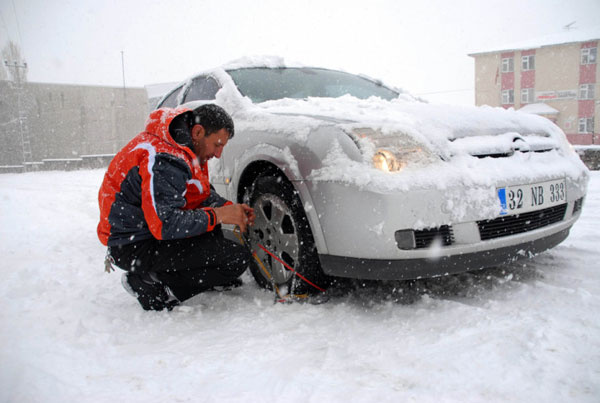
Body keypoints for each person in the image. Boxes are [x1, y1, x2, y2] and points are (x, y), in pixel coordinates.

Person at [97, 104, 255, 311]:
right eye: (217, 144)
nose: (218, 154)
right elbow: (165, 225)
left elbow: (197, 195)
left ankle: (191, 275)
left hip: (144, 232)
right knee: (235, 258)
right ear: (198, 132)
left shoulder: (184, 147)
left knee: (217, 237)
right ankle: (152, 285)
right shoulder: (163, 158)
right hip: (131, 243)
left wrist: (228, 208)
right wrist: (219, 215)